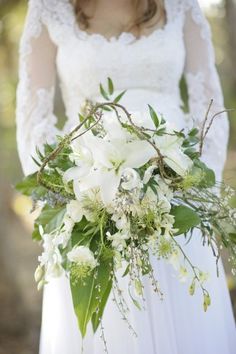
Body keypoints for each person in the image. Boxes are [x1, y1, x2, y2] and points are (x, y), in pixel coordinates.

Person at [16, 0, 236, 353]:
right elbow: (32, 118)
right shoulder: (49, 6)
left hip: (178, 205)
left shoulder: (181, 5)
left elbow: (208, 101)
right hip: (88, 208)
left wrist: (190, 188)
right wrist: (72, 196)